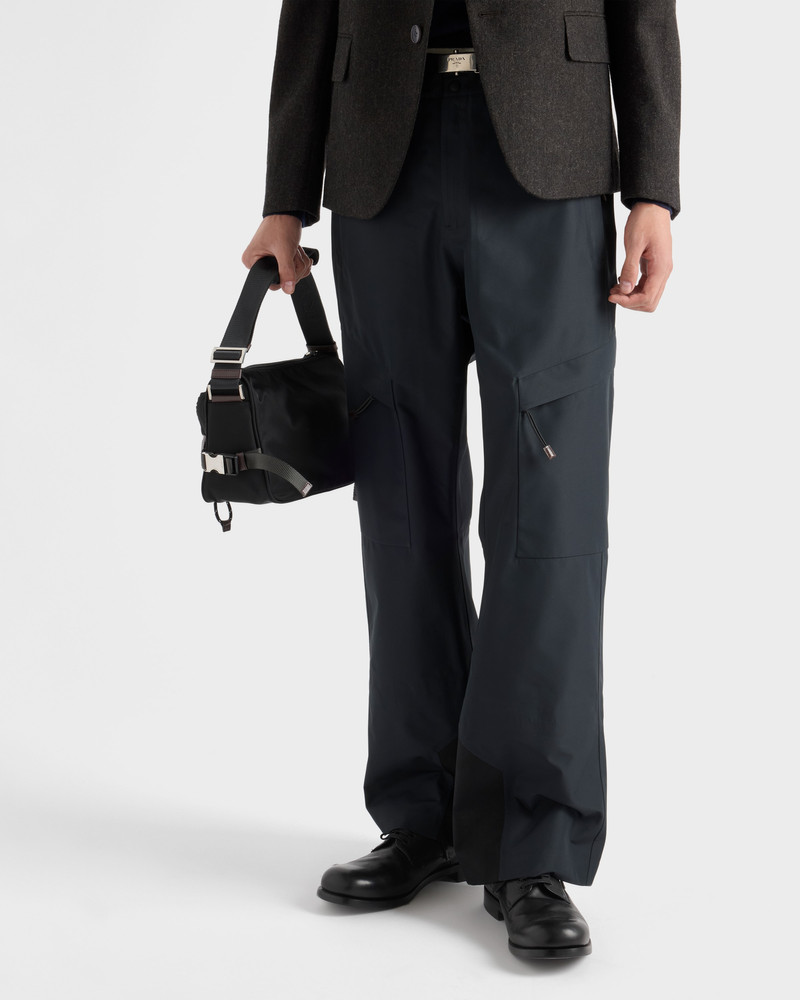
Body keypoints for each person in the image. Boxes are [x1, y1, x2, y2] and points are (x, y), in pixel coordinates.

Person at [242, 0, 680, 962]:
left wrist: (654, 187)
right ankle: (424, 812)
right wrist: (285, 195)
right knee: (400, 501)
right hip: (379, 158)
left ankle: (534, 841)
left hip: (549, 155)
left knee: (547, 511)